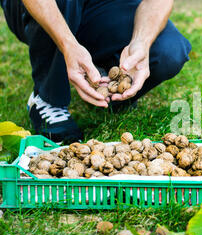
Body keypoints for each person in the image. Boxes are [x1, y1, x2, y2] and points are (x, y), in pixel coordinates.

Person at [1, 0, 191, 143]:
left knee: (169, 50)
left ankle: (110, 91)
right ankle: (48, 98)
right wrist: (67, 45)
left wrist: (141, 41)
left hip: (101, 7)